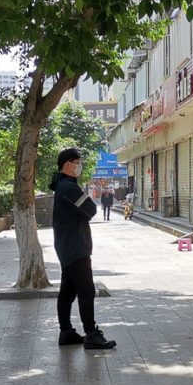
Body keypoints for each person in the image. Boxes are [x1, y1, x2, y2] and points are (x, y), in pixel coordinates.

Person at [49, 148, 116, 349]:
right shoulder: (68, 187)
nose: (80, 166)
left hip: (69, 245)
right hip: (75, 247)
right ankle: (91, 333)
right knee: (86, 289)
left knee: (68, 291)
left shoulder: (63, 186)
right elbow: (90, 209)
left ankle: (66, 332)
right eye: (77, 162)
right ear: (68, 164)